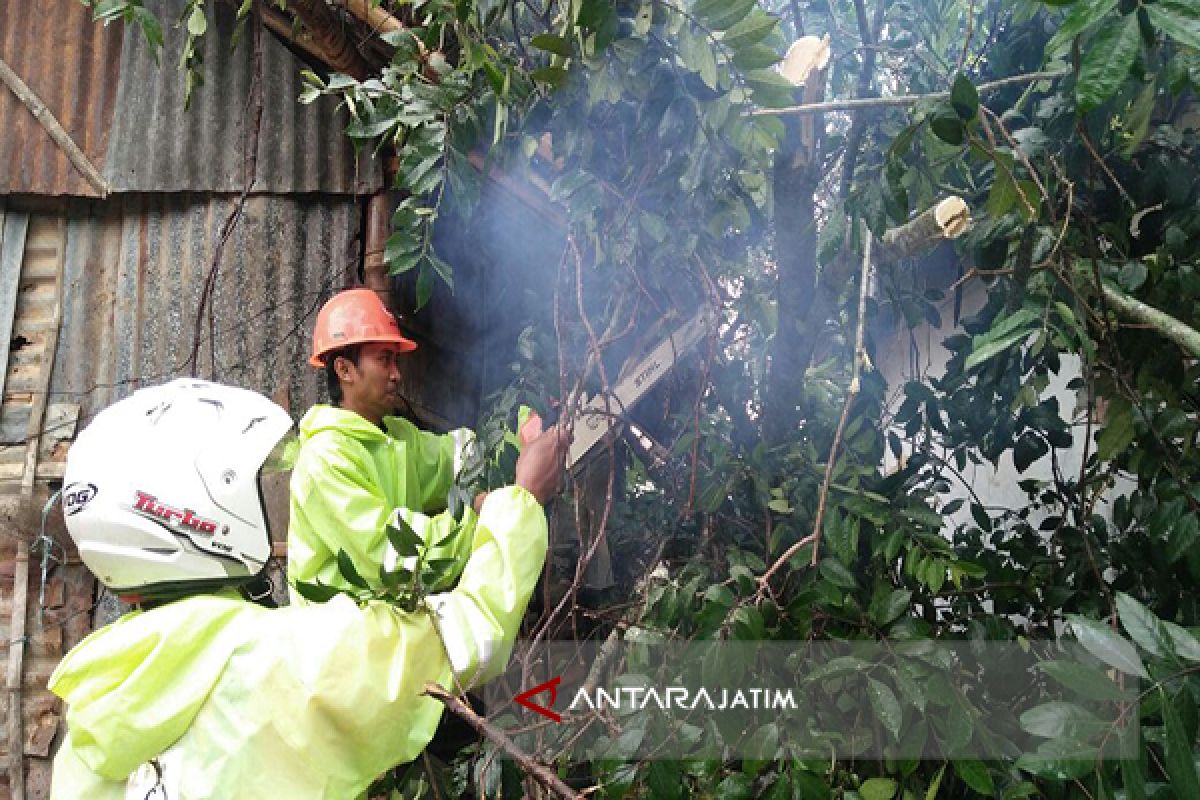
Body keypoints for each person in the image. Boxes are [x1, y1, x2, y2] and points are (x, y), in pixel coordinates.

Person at [48, 379, 568, 799]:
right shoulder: (286, 664)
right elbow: (468, 637)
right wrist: (522, 499)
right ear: (198, 517)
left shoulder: (90, 725)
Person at [288, 288, 486, 600]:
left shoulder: (397, 436)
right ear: (344, 370)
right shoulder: (325, 458)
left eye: (395, 361)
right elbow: (396, 563)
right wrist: (476, 515)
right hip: (339, 642)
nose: (396, 375)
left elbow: (459, 454)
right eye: (384, 360)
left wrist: (517, 428)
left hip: (387, 634)